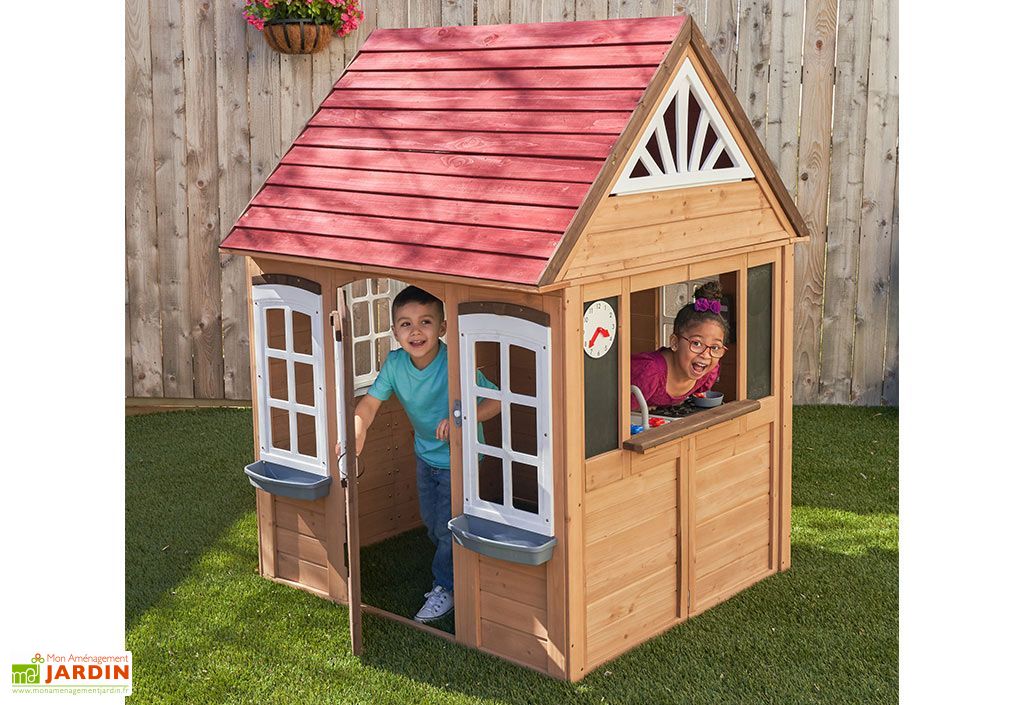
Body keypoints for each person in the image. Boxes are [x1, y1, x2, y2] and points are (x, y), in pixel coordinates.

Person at [336, 285, 500, 623]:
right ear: (394, 331)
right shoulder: (396, 365)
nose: (416, 331)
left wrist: (463, 421)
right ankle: (456, 562)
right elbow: (368, 405)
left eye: (425, 322)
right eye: (406, 324)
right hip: (426, 456)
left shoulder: (454, 361)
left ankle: (448, 587)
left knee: (445, 526)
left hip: (460, 459)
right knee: (432, 521)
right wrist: (356, 431)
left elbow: (496, 399)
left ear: (441, 328)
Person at [631, 281, 729, 410]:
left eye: (715, 347)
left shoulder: (707, 372)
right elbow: (615, 414)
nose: (706, 354)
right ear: (675, 342)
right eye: (697, 343)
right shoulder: (650, 372)